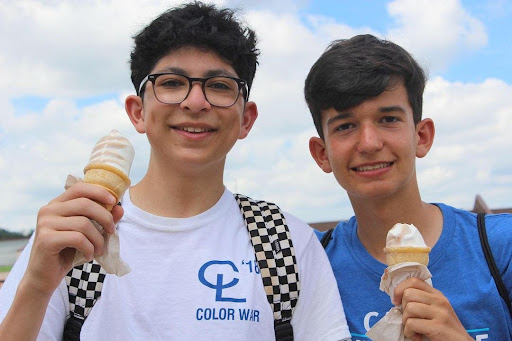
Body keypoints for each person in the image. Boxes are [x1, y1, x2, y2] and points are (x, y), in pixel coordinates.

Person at [0, 2, 351, 340]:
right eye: (171, 82)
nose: (195, 102)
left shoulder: (287, 242)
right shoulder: (73, 235)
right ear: (137, 112)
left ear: (246, 119)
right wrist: (36, 285)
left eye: (218, 86)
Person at [304, 34, 512, 340]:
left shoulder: (500, 246)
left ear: (422, 136)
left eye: (388, 118)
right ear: (322, 154)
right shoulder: (310, 265)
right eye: (345, 126)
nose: (370, 143)